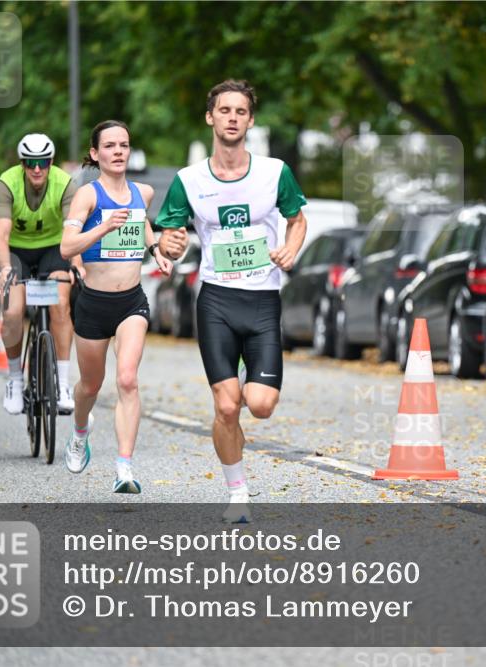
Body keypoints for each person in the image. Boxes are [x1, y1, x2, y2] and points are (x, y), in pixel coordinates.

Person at [156, 80, 307, 523]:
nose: (232, 118)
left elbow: (297, 220)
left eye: (240, 112)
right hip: (217, 300)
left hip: (262, 300)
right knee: (226, 405)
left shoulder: (274, 172)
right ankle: (237, 491)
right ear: (211, 117)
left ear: (250, 120)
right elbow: (169, 239)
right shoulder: (188, 181)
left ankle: (238, 407)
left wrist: (291, 248)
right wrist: (170, 246)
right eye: (224, 111)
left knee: (258, 404)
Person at [60, 120, 172, 494]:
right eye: (109, 146)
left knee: (127, 379)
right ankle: (80, 431)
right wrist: (102, 229)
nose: (118, 151)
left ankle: (124, 468)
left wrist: (156, 251)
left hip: (131, 302)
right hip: (93, 303)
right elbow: (66, 247)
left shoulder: (144, 191)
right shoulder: (87, 196)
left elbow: (141, 225)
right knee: (90, 386)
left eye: (124, 144)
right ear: (95, 154)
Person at [0, 133, 82, 415]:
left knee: (61, 305)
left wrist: (76, 262)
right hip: (16, 251)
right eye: (31, 163)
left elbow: (73, 226)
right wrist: (5, 267)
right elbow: (1, 234)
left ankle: (63, 383)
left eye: (42, 162)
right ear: (22, 164)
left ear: (51, 162)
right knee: (14, 311)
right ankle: (15, 380)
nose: (37, 169)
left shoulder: (65, 183)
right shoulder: (8, 182)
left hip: (54, 249)